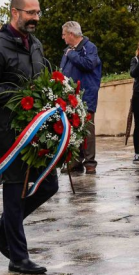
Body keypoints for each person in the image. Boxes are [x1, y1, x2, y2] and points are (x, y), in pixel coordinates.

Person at [0, 0, 57, 274]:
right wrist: (21, 97)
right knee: (14, 194)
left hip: (37, 132)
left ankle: (3, 225)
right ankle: (18, 258)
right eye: (30, 13)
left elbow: (42, 79)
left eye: (38, 13)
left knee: (49, 185)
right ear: (15, 13)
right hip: (10, 134)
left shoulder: (35, 45)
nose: (35, 18)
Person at [59, 21, 102, 174]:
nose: (63, 38)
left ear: (71, 34)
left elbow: (89, 64)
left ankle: (90, 163)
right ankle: (74, 162)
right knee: (73, 129)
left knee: (87, 130)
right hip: (71, 98)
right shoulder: (67, 50)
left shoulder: (89, 48)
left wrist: (72, 55)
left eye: (64, 35)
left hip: (86, 96)